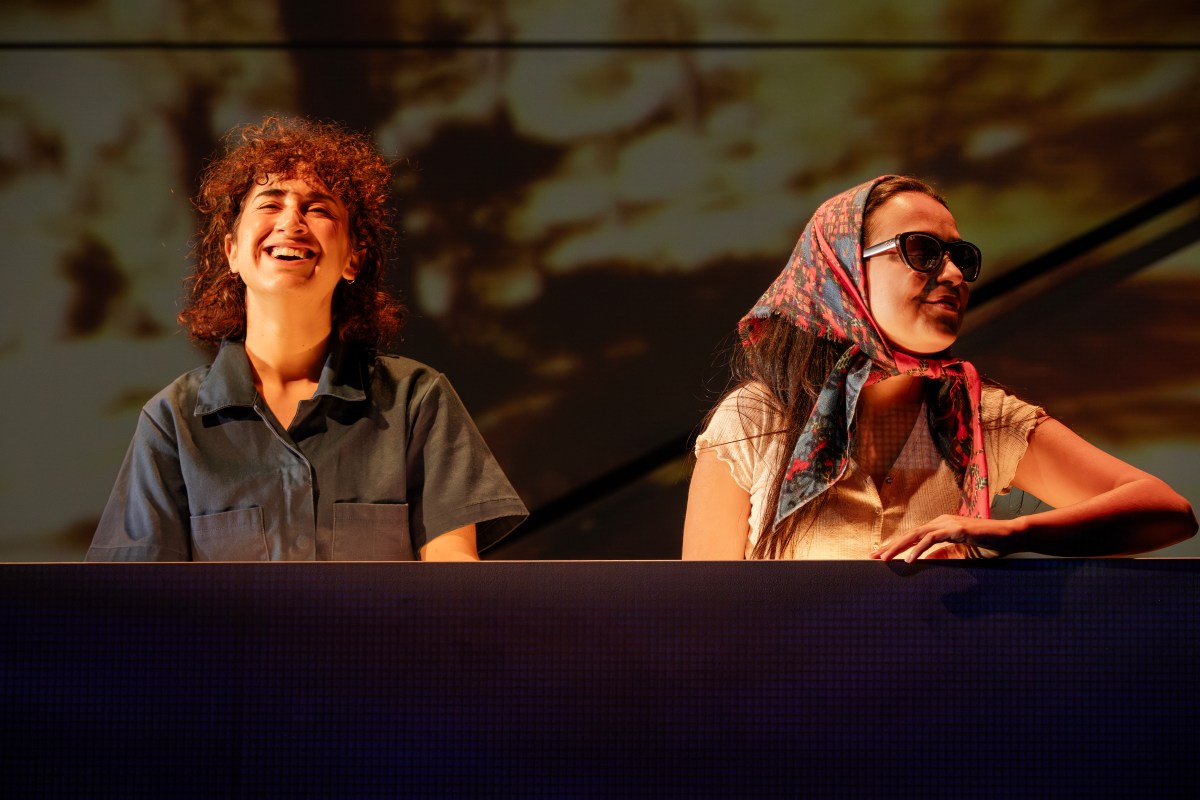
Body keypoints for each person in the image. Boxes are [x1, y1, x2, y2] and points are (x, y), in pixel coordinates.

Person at [683, 175, 1196, 561]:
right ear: (842, 270)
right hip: (785, 697)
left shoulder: (980, 415)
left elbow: (1166, 510)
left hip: (941, 697)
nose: (952, 274)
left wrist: (1013, 534)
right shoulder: (756, 418)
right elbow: (696, 615)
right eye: (922, 251)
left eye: (960, 257)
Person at [87, 116, 527, 562]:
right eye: (270, 203)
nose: (291, 222)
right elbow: (134, 607)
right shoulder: (174, 420)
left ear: (353, 259)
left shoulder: (416, 401)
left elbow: (455, 591)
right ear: (232, 252)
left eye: (318, 208)